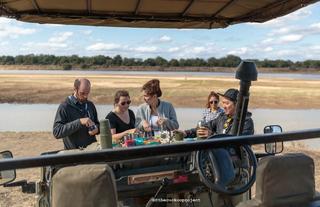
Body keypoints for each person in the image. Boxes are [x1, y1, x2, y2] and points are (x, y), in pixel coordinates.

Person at [182, 88, 254, 138]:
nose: (224, 106)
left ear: (237, 105)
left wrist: (212, 135)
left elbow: (233, 144)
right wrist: (186, 133)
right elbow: (206, 126)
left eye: (226, 103)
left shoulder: (246, 122)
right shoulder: (222, 117)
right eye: (223, 103)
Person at [53, 78, 99, 149]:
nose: (85, 96)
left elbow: (97, 124)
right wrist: (79, 122)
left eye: (87, 93)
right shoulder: (64, 106)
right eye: (82, 93)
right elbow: (57, 132)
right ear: (75, 89)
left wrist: (97, 129)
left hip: (92, 150)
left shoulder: (90, 105)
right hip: (73, 153)